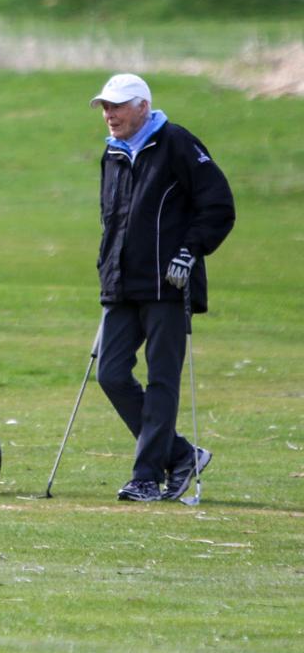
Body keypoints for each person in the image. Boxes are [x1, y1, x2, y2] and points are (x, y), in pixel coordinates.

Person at [90, 73, 234, 502]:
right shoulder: (112, 154)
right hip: (121, 284)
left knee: (162, 380)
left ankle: (147, 477)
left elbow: (219, 206)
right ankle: (181, 454)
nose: (109, 115)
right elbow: (111, 220)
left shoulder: (177, 143)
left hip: (168, 284)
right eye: (104, 107)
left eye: (117, 106)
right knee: (111, 374)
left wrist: (189, 252)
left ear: (142, 107)